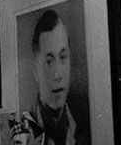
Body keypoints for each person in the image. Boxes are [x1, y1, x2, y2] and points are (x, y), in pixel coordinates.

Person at [29, 10, 88, 145]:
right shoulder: (25, 130)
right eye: (49, 62)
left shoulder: (83, 130)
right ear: (36, 71)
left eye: (63, 58)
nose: (57, 75)